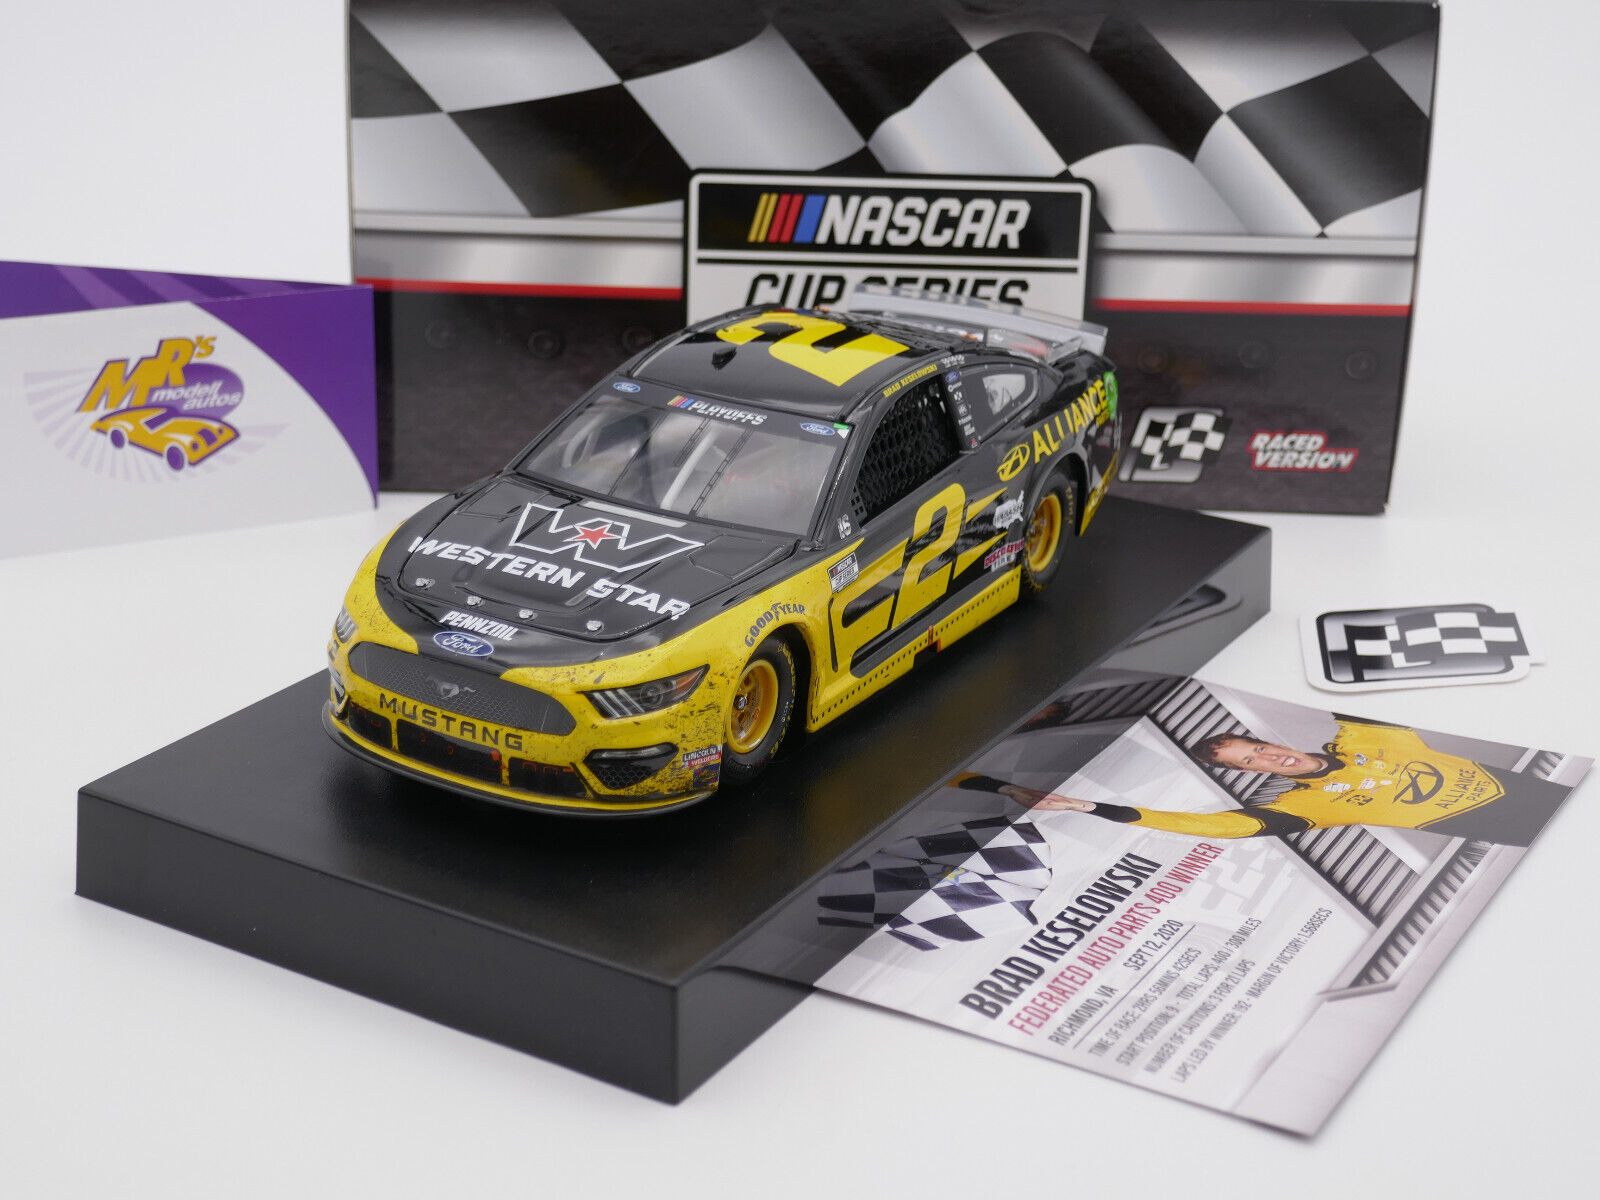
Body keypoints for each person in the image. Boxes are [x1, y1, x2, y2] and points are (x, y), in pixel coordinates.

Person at [963, 719, 1569, 848]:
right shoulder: (1308, 804)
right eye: (1250, 765)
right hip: (1520, 831)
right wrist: (1091, 806)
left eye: (1255, 747)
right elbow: (1219, 828)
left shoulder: (1365, 736)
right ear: (1251, 776)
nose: (1266, 759)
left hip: (1548, 794)